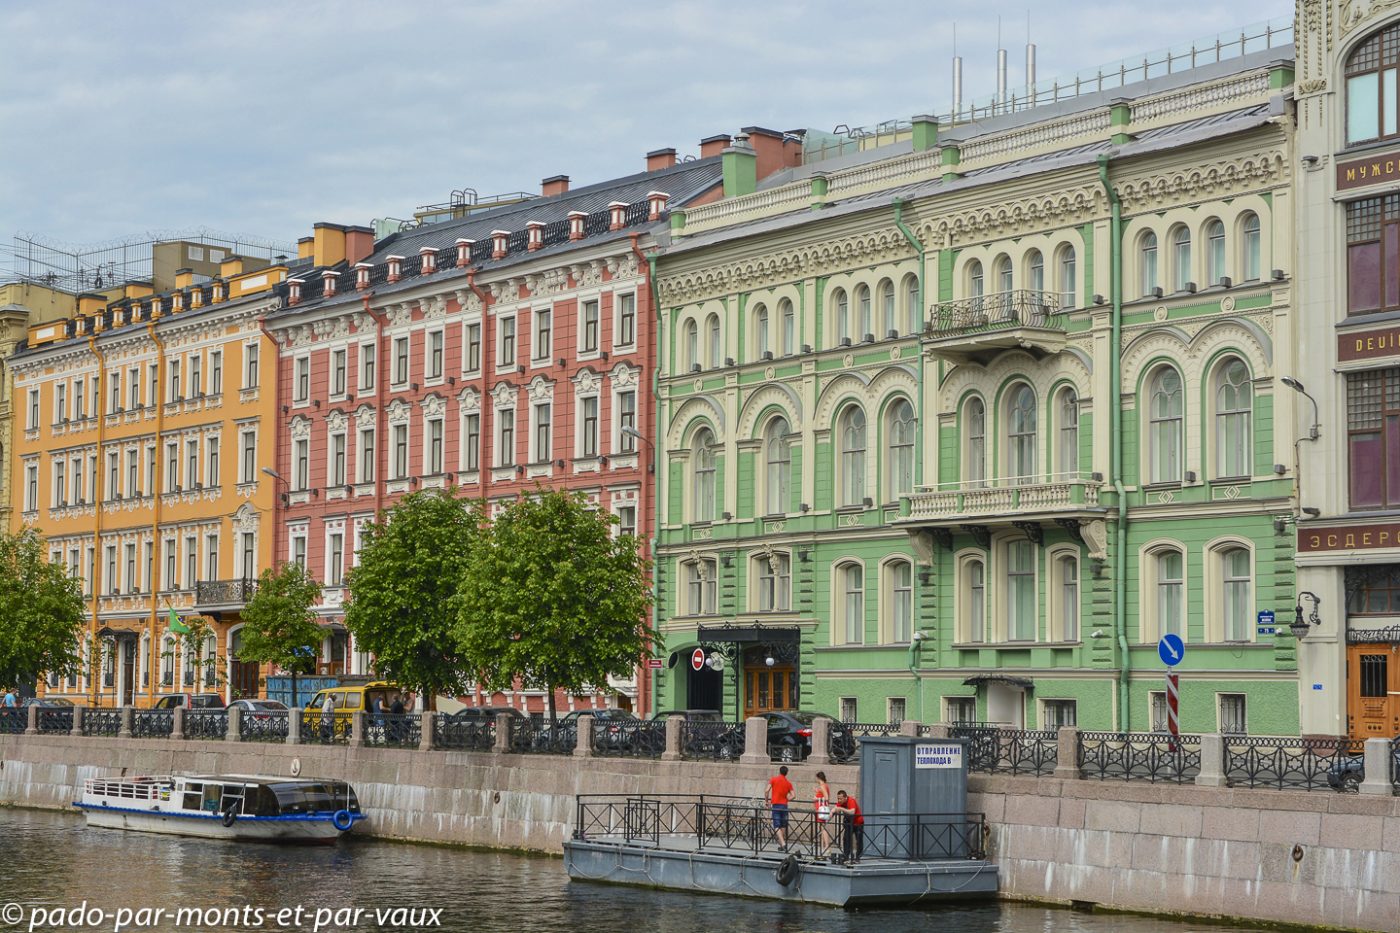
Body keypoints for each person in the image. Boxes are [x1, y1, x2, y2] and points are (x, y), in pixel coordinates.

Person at [830, 789, 864, 865]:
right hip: (849, 823)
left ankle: (857, 858)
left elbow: (852, 811)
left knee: (859, 840)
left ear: (845, 798)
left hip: (858, 822)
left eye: (840, 798)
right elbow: (835, 808)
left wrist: (841, 809)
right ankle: (846, 857)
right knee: (846, 839)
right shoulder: (840, 802)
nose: (839, 800)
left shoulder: (851, 800)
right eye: (838, 798)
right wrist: (831, 813)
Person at [765, 764, 794, 851]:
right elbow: (794, 795)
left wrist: (767, 801)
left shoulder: (773, 779)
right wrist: (787, 799)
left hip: (776, 805)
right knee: (783, 825)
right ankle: (782, 845)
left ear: (779, 771)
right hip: (784, 806)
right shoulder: (788, 783)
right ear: (786, 773)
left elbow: (766, 790)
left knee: (776, 825)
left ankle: (783, 844)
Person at [813, 771, 832, 854]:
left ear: (818, 778)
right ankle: (824, 846)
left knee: (823, 828)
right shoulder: (824, 786)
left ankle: (827, 846)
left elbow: (826, 797)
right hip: (822, 809)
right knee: (822, 827)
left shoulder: (822, 785)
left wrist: (816, 799)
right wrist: (817, 791)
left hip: (821, 809)